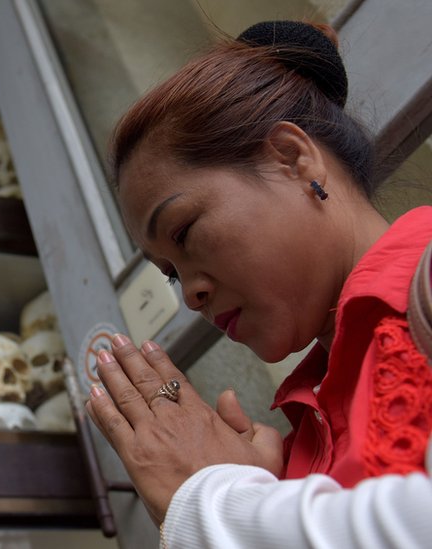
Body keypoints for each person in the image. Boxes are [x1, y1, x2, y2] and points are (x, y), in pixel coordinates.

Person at [84, 20, 432, 547]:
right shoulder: (297, 439)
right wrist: (258, 490)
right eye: (171, 274)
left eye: (184, 231)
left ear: (291, 158)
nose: (190, 296)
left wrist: (212, 499)